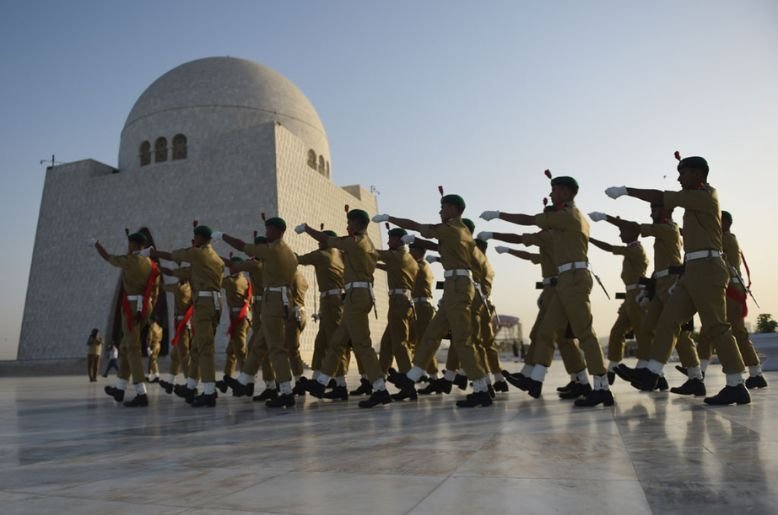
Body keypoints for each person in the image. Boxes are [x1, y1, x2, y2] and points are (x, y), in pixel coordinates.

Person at [605, 156, 750, 405]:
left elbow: (660, 196)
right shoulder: (692, 203)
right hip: (691, 271)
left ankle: (736, 384)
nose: (679, 178)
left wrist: (626, 191)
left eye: (683, 173)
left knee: (716, 326)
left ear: (698, 174)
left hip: (708, 268)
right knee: (668, 321)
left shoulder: (705, 196)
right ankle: (651, 372)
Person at [480, 176, 613, 407]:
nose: (551, 195)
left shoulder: (569, 215)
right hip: (565, 280)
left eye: (554, 190)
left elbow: (529, 220)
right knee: (547, 331)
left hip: (574, 278)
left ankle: (602, 388)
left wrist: (499, 215)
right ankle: (535, 379)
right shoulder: (563, 221)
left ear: (566, 192)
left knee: (585, 333)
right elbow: (529, 236)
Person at [377, 194, 493, 408]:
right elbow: (436, 246)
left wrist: (390, 218)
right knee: (431, 334)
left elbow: (417, 225)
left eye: (444, 207)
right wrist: (416, 240)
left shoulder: (453, 229)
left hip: (458, 287)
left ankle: (481, 388)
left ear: (455, 209)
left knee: (462, 340)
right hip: (453, 287)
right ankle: (411, 377)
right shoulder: (457, 232)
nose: (440, 211)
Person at [297, 209, 393, 408]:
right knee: (337, 341)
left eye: (349, 223)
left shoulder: (356, 242)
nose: (347, 227)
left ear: (357, 224)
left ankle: (380, 389)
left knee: (362, 345)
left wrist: (307, 228)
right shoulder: (367, 243)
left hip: (357, 296)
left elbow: (328, 240)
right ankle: (320, 383)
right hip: (355, 296)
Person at [482, 223, 589, 399]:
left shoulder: (550, 237)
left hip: (556, 289)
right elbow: (532, 257)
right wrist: (509, 251)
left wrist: (494, 235)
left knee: (548, 335)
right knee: (559, 339)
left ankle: (535, 376)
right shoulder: (553, 243)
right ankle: (579, 381)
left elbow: (522, 239)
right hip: (552, 289)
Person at [219, 217, 299, 408]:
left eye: (268, 229)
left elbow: (242, 246)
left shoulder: (272, 250)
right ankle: (243, 382)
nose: (266, 232)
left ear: (277, 231)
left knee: (275, 348)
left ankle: (286, 392)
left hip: (273, 302)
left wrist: (222, 236)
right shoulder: (289, 253)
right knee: (258, 344)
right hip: (281, 301)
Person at [152, 225, 224, 407]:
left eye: (195, 238)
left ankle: (209, 392)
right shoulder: (216, 259)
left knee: (204, 348)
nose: (194, 241)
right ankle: (191, 386)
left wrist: (153, 253)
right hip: (212, 304)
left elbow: (173, 256)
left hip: (204, 304)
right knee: (197, 348)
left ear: (200, 238)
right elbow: (185, 271)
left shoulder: (199, 254)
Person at [695, 210, 767, 389]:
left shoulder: (724, 239)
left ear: (725, 223)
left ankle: (755, 373)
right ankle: (699, 372)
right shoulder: (729, 239)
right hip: (730, 291)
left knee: (732, 332)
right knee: (711, 330)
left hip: (730, 292)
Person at [92, 231, 160, 407]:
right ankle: (120, 389)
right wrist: (145, 310)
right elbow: (155, 293)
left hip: (131, 307)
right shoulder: (152, 265)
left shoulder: (129, 261)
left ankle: (141, 393)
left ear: (133, 245)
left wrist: (97, 244)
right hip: (144, 307)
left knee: (133, 349)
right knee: (125, 347)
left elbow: (108, 257)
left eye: (129, 244)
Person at [586, 221, 650, 386]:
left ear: (632, 233)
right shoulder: (631, 249)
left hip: (637, 295)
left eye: (623, 231)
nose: (620, 234)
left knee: (642, 333)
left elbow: (609, 248)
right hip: (630, 296)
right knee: (617, 332)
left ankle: (647, 370)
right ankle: (613, 368)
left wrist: (589, 239)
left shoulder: (635, 249)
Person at [296, 230, 350, 393]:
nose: (318, 243)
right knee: (321, 342)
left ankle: (340, 384)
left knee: (334, 342)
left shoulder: (322, 255)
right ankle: (318, 379)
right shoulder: (340, 255)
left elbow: (298, 259)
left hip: (331, 302)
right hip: (333, 302)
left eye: (320, 240)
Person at [376, 227, 419, 401]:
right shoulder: (408, 259)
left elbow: (374, 253)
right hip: (403, 302)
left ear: (399, 240)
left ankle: (408, 383)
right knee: (387, 344)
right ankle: (378, 380)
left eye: (391, 239)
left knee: (399, 344)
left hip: (398, 303)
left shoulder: (397, 255)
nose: (388, 242)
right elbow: (390, 267)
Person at [217, 257, 252, 393]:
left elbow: (217, 282)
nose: (229, 268)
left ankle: (247, 383)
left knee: (241, 352)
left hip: (239, 319)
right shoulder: (246, 281)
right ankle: (227, 379)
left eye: (231, 266)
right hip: (244, 318)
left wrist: (218, 269)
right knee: (231, 351)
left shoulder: (232, 282)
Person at [159, 266, 193, 395]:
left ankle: (190, 385)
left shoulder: (180, 288)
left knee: (184, 354)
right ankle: (170, 383)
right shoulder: (189, 287)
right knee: (175, 355)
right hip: (182, 324)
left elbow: (165, 287)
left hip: (182, 325)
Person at [146, 318, 163, 383]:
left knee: (153, 360)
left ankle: (157, 376)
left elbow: (149, 338)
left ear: (151, 320)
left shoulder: (151, 327)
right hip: (158, 344)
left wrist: (148, 347)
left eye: (149, 320)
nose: (148, 321)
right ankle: (148, 376)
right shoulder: (159, 327)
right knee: (151, 360)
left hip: (153, 345)